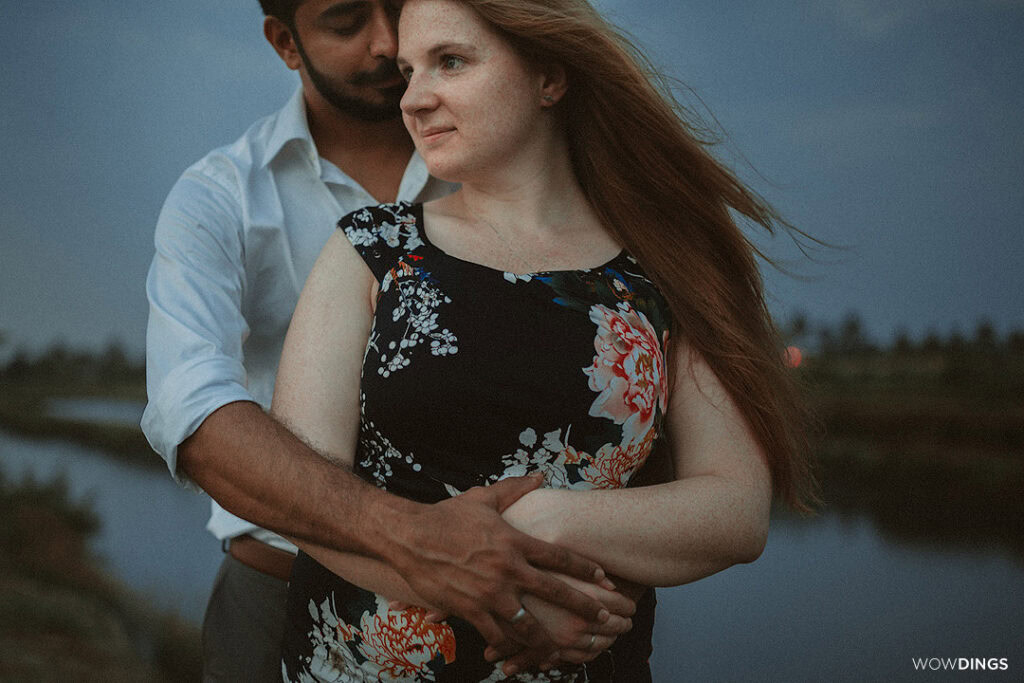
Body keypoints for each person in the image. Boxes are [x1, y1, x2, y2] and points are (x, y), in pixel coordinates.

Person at [272, 0, 819, 680]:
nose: (414, 99)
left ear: (549, 77)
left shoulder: (664, 268)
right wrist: (505, 595)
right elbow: (301, 496)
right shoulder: (374, 248)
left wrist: (542, 525)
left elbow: (735, 510)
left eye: (450, 62)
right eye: (409, 71)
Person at [142, 1, 627, 680]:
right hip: (279, 595)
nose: (386, 41)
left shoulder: (504, 150)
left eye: (396, 6)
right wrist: (414, 539)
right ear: (286, 41)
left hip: (528, 604)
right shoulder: (222, 197)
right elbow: (191, 412)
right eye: (344, 20)